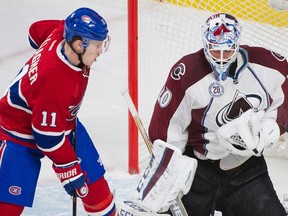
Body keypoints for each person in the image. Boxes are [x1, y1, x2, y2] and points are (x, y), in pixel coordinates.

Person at [145, 13, 288, 216]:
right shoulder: (187, 73)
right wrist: (172, 169)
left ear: (237, 44)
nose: (221, 57)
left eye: (227, 50)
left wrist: (272, 126)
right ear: (205, 44)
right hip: (197, 173)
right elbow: (166, 127)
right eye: (215, 50)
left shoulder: (267, 65)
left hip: (246, 170)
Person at [0, 7, 116, 216]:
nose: (100, 51)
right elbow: (46, 138)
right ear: (80, 44)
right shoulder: (55, 81)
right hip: (16, 135)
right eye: (97, 45)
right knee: (8, 208)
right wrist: (69, 170)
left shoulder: (62, 31)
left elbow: (34, 31)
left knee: (95, 186)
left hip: (63, 123)